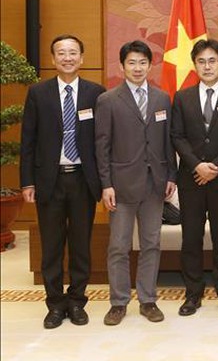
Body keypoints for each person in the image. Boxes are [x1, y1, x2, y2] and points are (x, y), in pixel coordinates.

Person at [19, 34, 105, 329]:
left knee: (81, 245)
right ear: (53, 59)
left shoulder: (96, 93)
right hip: (49, 180)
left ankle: (77, 301)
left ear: (82, 58)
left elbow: (102, 141)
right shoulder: (38, 93)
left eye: (73, 53)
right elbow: (28, 141)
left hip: (83, 180)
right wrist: (27, 182)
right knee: (52, 246)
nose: (67, 58)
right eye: (61, 53)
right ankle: (55, 304)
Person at [95, 40, 177, 326]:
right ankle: (118, 303)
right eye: (132, 62)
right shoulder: (108, 100)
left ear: (150, 65)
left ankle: (148, 300)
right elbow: (102, 146)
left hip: (155, 184)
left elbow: (167, 141)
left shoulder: (161, 99)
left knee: (151, 244)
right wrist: (106, 184)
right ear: (122, 66)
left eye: (143, 62)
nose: (137, 68)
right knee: (119, 246)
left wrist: (171, 175)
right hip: (121, 186)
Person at [171, 39, 218, 317]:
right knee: (191, 238)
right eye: (201, 61)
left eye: (212, 61)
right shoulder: (182, 97)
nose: (207, 66)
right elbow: (177, 136)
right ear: (195, 65)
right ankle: (193, 294)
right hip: (191, 179)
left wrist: (216, 166)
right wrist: (197, 165)